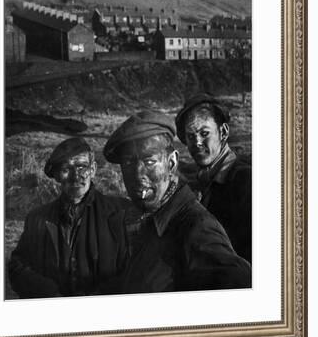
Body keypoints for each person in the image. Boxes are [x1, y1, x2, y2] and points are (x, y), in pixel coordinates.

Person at [103, 111, 251, 294]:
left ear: (171, 163)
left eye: (149, 162)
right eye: (128, 164)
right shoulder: (149, 219)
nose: (137, 174)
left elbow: (240, 283)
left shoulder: (196, 227)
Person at [8, 137, 128, 298]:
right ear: (57, 175)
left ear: (93, 169)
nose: (75, 176)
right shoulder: (37, 219)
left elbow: (134, 270)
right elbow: (17, 267)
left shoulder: (120, 213)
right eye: (66, 169)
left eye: (81, 167)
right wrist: (48, 293)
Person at [175, 93, 252, 263]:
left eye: (204, 133)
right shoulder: (199, 182)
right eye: (190, 136)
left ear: (223, 132)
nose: (197, 143)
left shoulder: (246, 182)